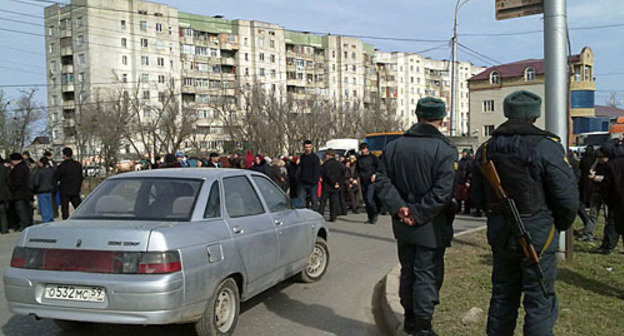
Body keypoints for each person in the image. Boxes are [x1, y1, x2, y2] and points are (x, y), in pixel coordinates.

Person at [471, 91, 578, 336]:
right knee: (539, 301)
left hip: (501, 232)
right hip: (538, 231)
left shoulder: (487, 148)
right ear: (535, 115)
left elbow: (477, 197)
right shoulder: (546, 146)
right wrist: (557, 225)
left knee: (502, 297)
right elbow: (566, 197)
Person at [375, 97, 457, 336]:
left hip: (403, 223)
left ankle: (410, 318)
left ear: (417, 115)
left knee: (408, 270)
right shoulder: (445, 149)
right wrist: (418, 214)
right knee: (427, 274)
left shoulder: (394, 147)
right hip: (431, 223)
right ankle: (423, 325)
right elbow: (444, 191)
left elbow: (381, 181)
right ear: (441, 119)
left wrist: (400, 208)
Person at [579, 149, 608, 243]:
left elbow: (608, 178)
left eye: (601, 157)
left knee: (607, 216)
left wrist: (595, 177)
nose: (599, 159)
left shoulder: (610, 165)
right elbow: (591, 170)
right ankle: (588, 235)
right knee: (592, 215)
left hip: (606, 192)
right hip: (596, 191)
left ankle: (607, 238)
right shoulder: (598, 163)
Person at [54, 147, 84, 220]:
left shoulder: (62, 166)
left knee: (65, 209)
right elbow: (81, 177)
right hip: (75, 189)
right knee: (78, 207)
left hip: (64, 190)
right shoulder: (77, 165)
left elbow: (56, 177)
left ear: (64, 155)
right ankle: (82, 219)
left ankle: (66, 221)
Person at [355, 143, 379, 224]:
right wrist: (354, 178)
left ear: (367, 149)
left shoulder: (373, 158)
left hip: (371, 180)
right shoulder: (359, 159)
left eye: (364, 149)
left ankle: (375, 213)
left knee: (369, 198)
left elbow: (379, 167)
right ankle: (370, 217)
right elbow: (356, 169)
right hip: (363, 180)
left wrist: (375, 174)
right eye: (361, 149)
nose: (363, 150)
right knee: (366, 200)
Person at [8, 153, 33, 230]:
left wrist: (12, 187)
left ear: (14, 160)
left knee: (20, 209)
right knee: (26, 209)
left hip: (19, 193)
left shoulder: (18, 168)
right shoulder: (25, 167)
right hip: (26, 191)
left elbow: (17, 181)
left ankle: (23, 224)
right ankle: (27, 222)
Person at [318, 149, 344, 222]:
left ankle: (320, 215)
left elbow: (327, 175)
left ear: (329, 155)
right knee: (333, 202)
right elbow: (342, 174)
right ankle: (333, 217)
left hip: (327, 185)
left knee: (323, 202)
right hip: (336, 186)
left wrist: (333, 182)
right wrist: (338, 183)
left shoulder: (325, 164)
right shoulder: (339, 164)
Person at [296, 140, 321, 211]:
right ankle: (302, 214)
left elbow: (317, 170)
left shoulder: (315, 157)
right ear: (303, 147)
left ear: (311, 147)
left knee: (314, 200)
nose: (307, 149)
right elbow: (300, 169)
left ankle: (315, 213)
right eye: (306, 147)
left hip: (312, 183)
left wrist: (315, 181)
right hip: (303, 182)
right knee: (301, 199)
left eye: (309, 147)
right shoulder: (302, 157)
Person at [33, 157, 55, 223]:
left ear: (41, 163)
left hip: (41, 191)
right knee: (50, 206)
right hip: (50, 190)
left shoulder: (39, 172)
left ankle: (46, 220)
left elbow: (36, 183)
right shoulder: (51, 171)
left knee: (44, 207)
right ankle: (51, 218)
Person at [455, 149, 472, 215]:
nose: (463, 154)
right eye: (462, 153)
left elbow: (470, 172)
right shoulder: (460, 161)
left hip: (465, 182)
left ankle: (467, 210)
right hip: (459, 181)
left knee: (466, 197)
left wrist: (468, 181)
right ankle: (458, 210)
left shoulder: (469, 162)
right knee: (458, 197)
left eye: (464, 152)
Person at [0, 155, 11, 234]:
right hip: (3, 194)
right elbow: (8, 181)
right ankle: (4, 229)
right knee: (3, 212)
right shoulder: (4, 168)